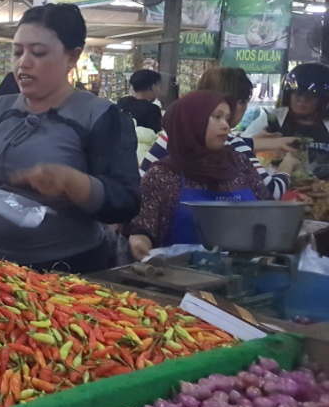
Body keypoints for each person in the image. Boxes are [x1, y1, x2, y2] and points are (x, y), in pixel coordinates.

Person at [0, 4, 140, 273]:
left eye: (38, 52)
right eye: (17, 52)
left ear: (72, 57)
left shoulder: (100, 116)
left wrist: (74, 182)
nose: (23, 62)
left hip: (66, 273)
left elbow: (125, 201)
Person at [128, 91, 270, 260]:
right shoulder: (162, 175)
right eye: (217, 116)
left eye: (227, 118)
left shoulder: (239, 163)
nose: (225, 125)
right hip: (181, 278)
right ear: (191, 122)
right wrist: (139, 240)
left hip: (247, 276)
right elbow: (144, 230)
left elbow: (266, 212)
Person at [141, 67, 297, 199]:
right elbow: (271, 192)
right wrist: (287, 166)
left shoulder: (173, 134)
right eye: (217, 116)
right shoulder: (233, 145)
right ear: (236, 104)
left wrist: (267, 143)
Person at [243, 62, 329, 170]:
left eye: (310, 96)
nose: (302, 99)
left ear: (323, 100)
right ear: (289, 95)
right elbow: (238, 149)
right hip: (277, 181)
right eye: (297, 93)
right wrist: (259, 141)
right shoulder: (271, 118)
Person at [116, 69, 163, 133]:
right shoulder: (152, 109)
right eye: (158, 86)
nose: (159, 90)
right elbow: (155, 136)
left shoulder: (123, 101)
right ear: (152, 87)